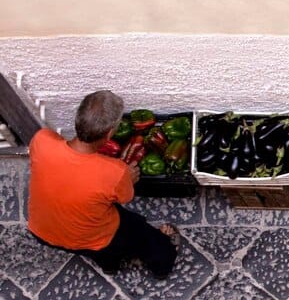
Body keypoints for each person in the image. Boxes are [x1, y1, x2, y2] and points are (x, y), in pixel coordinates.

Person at [28, 90, 178, 278]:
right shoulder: (115, 172)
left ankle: (110, 266)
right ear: (109, 133)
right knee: (145, 238)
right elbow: (125, 197)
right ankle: (163, 267)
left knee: (98, 252)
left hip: (41, 232)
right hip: (96, 237)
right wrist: (129, 179)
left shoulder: (42, 139)